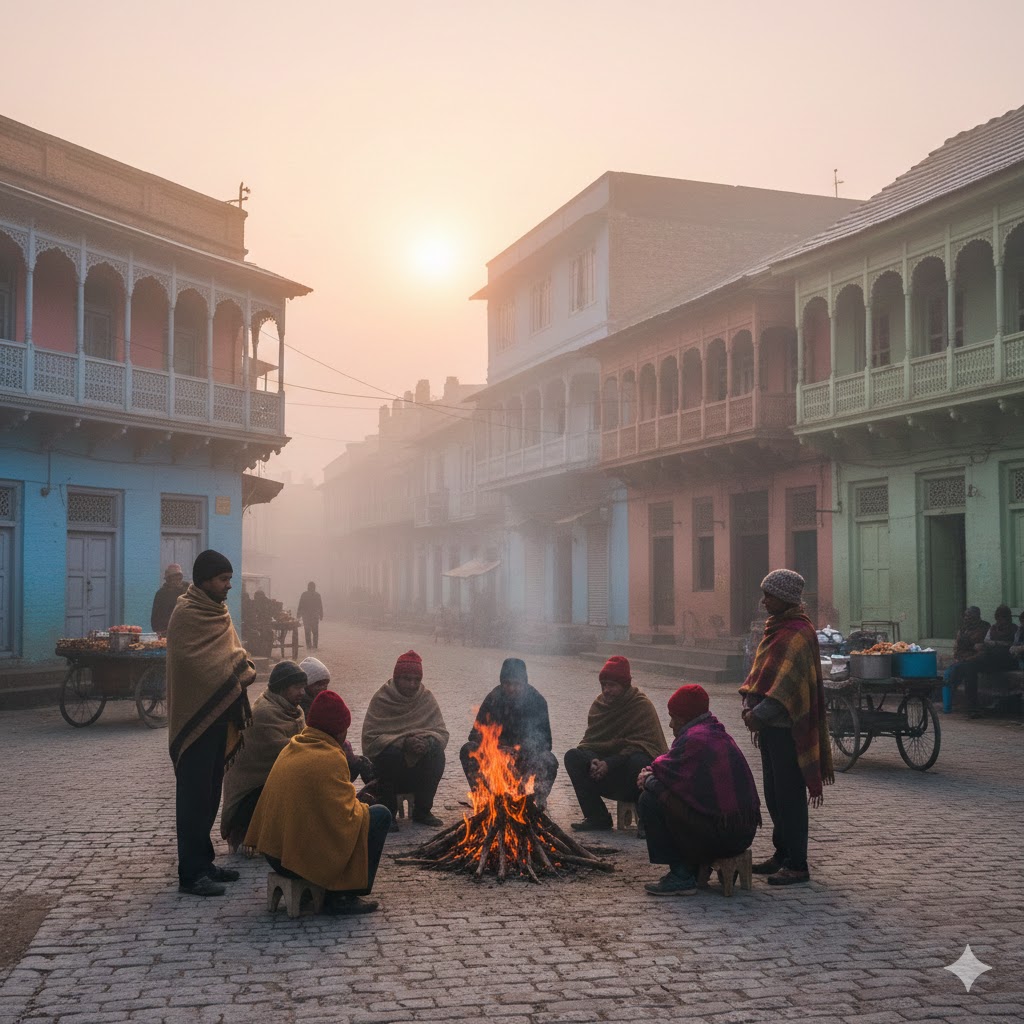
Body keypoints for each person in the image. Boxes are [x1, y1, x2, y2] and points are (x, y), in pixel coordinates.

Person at [245, 690, 392, 915]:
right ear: (338, 730)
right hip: (295, 863)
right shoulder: (331, 757)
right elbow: (343, 822)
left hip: (274, 855)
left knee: (365, 812)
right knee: (380, 815)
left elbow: (326, 808)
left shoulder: (294, 746)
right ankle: (343, 895)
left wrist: (355, 801)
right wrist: (362, 806)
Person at [167, 549, 256, 897]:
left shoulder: (219, 612)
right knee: (192, 798)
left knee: (209, 796)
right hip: (195, 721)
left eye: (230, 579)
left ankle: (205, 863)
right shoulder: (186, 613)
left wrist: (239, 663)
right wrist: (237, 668)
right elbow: (194, 664)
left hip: (220, 718)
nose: (228, 586)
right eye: (223, 580)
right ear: (204, 581)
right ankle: (190, 874)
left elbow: (232, 652)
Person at [739, 569, 833, 886]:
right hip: (768, 727)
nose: (764, 601)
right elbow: (761, 675)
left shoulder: (799, 634)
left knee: (790, 795)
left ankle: (798, 863)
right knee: (774, 794)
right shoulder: (775, 629)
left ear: (785, 598)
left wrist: (759, 713)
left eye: (769, 595)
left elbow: (788, 688)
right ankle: (781, 854)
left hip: (787, 728)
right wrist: (748, 704)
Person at [637, 684, 761, 896]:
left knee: (650, 799)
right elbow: (670, 769)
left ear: (684, 718)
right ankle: (692, 868)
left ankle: (682, 874)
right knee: (668, 792)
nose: (670, 724)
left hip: (725, 835)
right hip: (742, 832)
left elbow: (664, 770)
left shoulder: (696, 739)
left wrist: (648, 780)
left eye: (673, 717)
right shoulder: (715, 730)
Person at [564, 655, 668, 831]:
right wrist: (593, 761)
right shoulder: (599, 706)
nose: (606, 690)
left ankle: (647, 820)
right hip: (604, 778)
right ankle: (597, 817)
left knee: (640, 762)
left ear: (624, 686)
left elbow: (646, 746)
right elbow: (590, 742)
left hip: (633, 780)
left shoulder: (640, 705)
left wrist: (609, 764)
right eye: (604, 685)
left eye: (612, 685)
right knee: (573, 757)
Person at [220, 661, 307, 853]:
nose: (302, 692)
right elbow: (288, 752)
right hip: (250, 793)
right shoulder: (265, 713)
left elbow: (304, 743)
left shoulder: (294, 709)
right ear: (282, 688)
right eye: (296, 688)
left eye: (303, 687)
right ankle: (245, 833)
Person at [362, 650, 449, 828]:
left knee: (436, 750)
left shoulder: (426, 698)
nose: (412, 684)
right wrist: (403, 743)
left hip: (419, 771)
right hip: (388, 772)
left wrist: (426, 741)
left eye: (416, 680)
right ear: (396, 677)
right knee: (391, 754)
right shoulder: (382, 698)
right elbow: (371, 740)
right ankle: (388, 812)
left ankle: (422, 811)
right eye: (406, 679)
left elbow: (441, 733)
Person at [460, 657, 558, 808]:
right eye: (507, 684)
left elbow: (546, 742)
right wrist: (497, 748)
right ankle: (484, 799)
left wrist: (519, 751)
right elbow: (474, 734)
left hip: (524, 760)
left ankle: (535, 803)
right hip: (495, 759)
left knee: (549, 760)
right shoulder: (493, 698)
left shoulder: (537, 701)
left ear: (524, 683)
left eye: (516, 684)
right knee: (468, 749)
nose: (511, 688)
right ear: (501, 682)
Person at [299, 656, 375, 783]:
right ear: (307, 685)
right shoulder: (302, 706)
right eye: (318, 684)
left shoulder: (318, 702)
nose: (322, 688)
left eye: (325, 684)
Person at [947, 604, 1017, 715]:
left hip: (1005, 660)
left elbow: (1013, 646)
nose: (1000, 621)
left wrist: (995, 644)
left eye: (1003, 618)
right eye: (998, 618)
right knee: (968, 666)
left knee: (967, 664)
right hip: (989, 658)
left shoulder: (1013, 629)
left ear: (1008, 618)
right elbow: (984, 644)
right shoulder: (992, 628)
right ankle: (971, 706)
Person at [150, 563, 187, 634]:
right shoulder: (161, 594)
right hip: (166, 633)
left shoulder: (188, 590)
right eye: (173, 577)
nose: (176, 580)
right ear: (168, 579)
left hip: (185, 632)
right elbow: (155, 619)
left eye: (179, 577)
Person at [297, 581, 324, 651]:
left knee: (307, 631)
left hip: (306, 616)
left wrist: (298, 614)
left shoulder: (304, 595)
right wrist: (321, 614)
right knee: (315, 632)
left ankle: (309, 646)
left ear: (308, 587)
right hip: (314, 616)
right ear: (314, 587)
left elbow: (300, 605)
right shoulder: (317, 595)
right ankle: (315, 646)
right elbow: (320, 606)